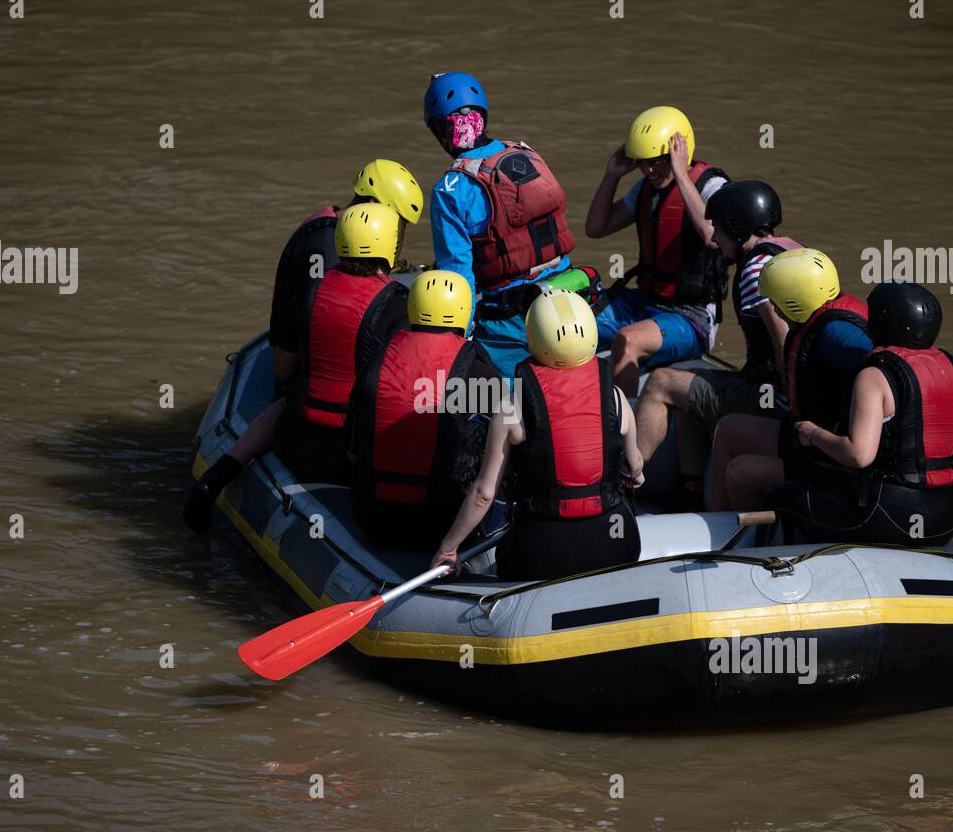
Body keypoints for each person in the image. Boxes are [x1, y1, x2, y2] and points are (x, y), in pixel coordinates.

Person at [184, 203, 408, 533]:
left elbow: (283, 368)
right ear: (389, 244)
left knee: (288, 399)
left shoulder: (312, 287)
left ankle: (218, 474)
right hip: (348, 456)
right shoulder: (397, 302)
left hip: (294, 440)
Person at [765, 282, 953, 545]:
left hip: (888, 514)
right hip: (944, 519)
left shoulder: (874, 375)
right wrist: (923, 440)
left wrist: (813, 434)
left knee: (780, 495)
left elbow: (858, 454)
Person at [432, 291, 643, 581]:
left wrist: (449, 548)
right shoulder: (616, 398)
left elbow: (483, 494)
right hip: (615, 544)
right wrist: (634, 474)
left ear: (533, 338)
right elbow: (635, 466)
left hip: (543, 554)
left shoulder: (511, 406)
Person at [633, 180, 800, 508]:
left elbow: (784, 344)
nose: (714, 238)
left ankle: (626, 485)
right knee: (689, 387)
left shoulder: (755, 271)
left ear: (737, 228)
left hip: (777, 399)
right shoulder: (789, 249)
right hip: (780, 391)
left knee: (661, 383)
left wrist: (796, 410)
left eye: (719, 229)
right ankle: (691, 488)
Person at [423, 71, 578, 378]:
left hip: (510, 322)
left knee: (483, 394)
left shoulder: (450, 188)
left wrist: (461, 338)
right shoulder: (526, 152)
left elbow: (457, 278)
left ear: (440, 129)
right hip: (568, 302)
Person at [709, 247, 875, 511]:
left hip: (837, 459)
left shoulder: (837, 335)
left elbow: (883, 368)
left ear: (794, 300)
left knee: (741, 472)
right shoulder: (822, 317)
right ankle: (717, 522)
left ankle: (755, 536)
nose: (774, 310)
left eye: (776, 302)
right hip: (812, 440)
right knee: (728, 428)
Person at [347, 270, 502, 551]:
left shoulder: (379, 359)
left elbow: (353, 452)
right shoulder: (480, 371)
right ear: (465, 314)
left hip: (374, 519)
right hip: (442, 524)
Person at [585, 106, 730, 397]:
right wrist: (612, 174)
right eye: (642, 163)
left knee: (627, 341)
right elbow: (596, 228)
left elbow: (712, 236)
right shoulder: (646, 188)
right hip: (644, 302)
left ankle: (621, 422)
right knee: (573, 322)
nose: (649, 171)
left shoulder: (712, 187)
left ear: (679, 152)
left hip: (691, 317)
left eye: (656, 162)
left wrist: (681, 174)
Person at [268, 159, 423, 387]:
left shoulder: (336, 226)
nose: (400, 232)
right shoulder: (326, 244)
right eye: (400, 221)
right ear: (372, 204)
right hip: (302, 370)